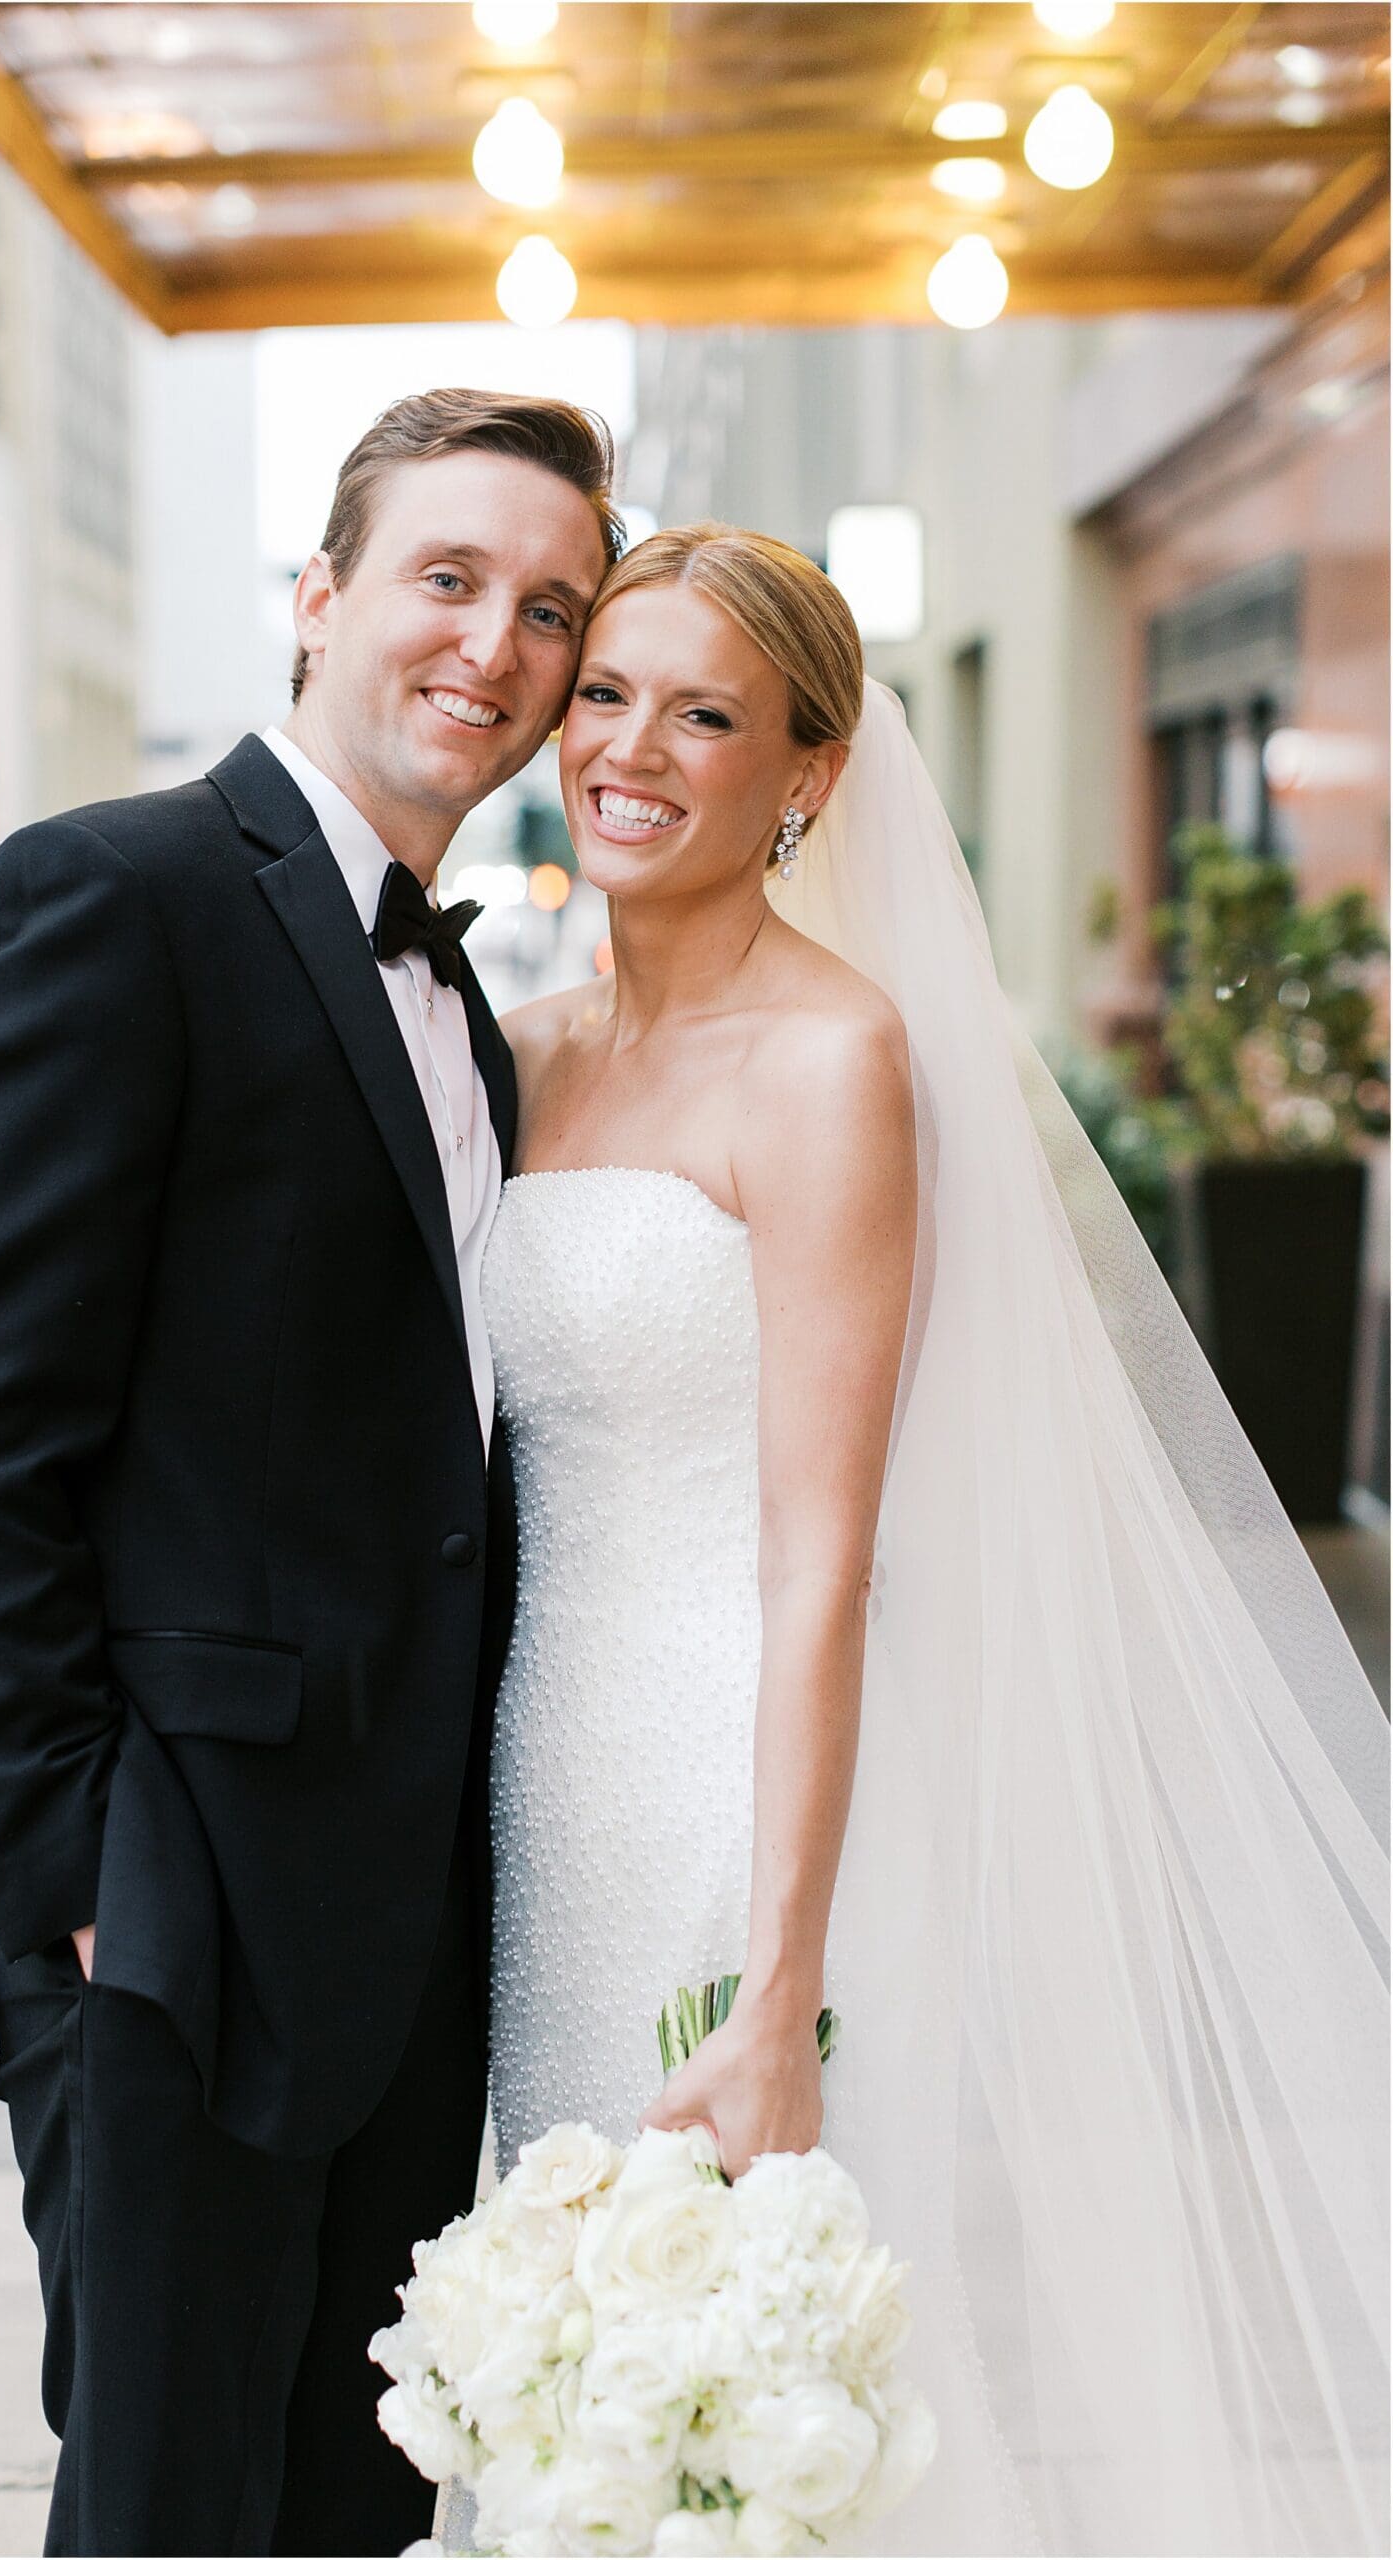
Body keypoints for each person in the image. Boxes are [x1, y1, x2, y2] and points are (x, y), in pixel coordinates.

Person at [476, 525, 1389, 2555]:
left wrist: (780, 1988)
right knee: (551, 2355)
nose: (631, 747)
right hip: (533, 1776)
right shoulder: (513, 1049)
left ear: (803, 767)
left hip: (736, 1802)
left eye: (702, 712)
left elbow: (824, 1554)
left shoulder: (831, 1063)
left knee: (720, 2369)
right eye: (605, 692)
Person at [0, 387, 619, 2559]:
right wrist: (74, 1882)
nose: (493, 641)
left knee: (339, 2500)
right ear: (322, 600)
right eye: (445, 578)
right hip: (168, 1916)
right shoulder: (112, 894)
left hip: (403, 1917)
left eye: (544, 605)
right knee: (171, 2510)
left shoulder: (461, 1008)